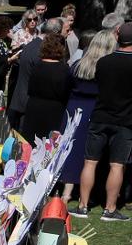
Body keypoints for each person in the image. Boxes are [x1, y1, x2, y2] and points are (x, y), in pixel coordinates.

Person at [75, 22, 132, 221]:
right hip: (125, 121)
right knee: (117, 165)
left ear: (117, 37)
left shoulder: (104, 62)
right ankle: (110, 208)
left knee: (90, 162)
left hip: (100, 116)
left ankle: (82, 206)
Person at [62, 28, 116, 205]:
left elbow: (68, 83)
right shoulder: (106, 68)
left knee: (70, 148)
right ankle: (86, 193)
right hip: (94, 109)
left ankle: (66, 191)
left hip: (74, 107)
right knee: (89, 154)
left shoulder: (79, 64)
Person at [9, 18, 60, 131]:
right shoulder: (41, 51)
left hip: (22, 100)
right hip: (29, 104)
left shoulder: (31, 45)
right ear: (55, 33)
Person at [21, 32, 72, 142]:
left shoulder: (37, 66)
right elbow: (66, 93)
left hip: (33, 108)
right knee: (50, 146)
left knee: (31, 143)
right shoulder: (64, 70)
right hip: (54, 111)